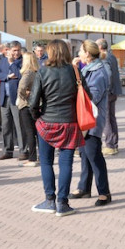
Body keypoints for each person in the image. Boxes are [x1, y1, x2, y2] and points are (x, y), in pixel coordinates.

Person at [28, 39, 84, 216]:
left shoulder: (43, 71)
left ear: (50, 52)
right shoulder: (75, 71)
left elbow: (33, 102)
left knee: (46, 161)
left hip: (47, 121)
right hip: (69, 121)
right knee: (66, 162)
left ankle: (49, 200)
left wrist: (38, 117)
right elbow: (86, 95)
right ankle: (62, 202)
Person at [71, 40, 112, 206]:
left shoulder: (99, 72)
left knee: (94, 155)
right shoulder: (88, 68)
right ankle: (84, 187)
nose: (78, 54)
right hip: (84, 118)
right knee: (84, 153)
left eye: (80, 51)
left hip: (92, 119)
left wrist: (75, 73)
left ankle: (104, 192)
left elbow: (92, 97)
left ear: (87, 53)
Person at [0, 41, 24, 160]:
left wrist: (12, 64)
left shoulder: (22, 61)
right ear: (9, 51)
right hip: (4, 97)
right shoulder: (3, 61)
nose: (16, 53)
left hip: (16, 98)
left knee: (19, 126)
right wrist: (7, 76)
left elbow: (20, 75)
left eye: (18, 50)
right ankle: (7, 151)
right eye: (14, 50)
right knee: (6, 125)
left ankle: (23, 150)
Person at [97, 38, 121, 156]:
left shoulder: (104, 57)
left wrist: (106, 88)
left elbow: (109, 74)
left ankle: (110, 145)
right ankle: (114, 144)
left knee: (106, 119)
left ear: (100, 47)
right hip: (114, 91)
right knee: (111, 118)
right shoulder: (112, 56)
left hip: (108, 92)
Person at [15, 52, 39, 166]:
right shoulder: (36, 72)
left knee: (29, 132)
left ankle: (32, 158)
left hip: (25, 105)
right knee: (35, 132)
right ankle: (37, 156)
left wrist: (24, 96)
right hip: (35, 104)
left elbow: (21, 88)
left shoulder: (28, 73)